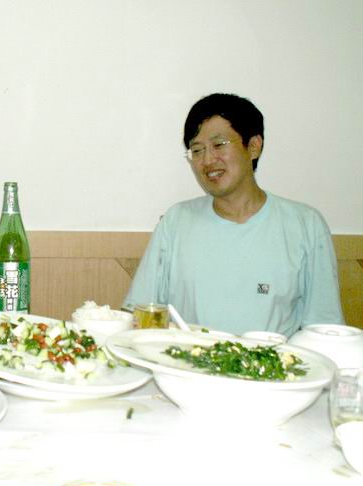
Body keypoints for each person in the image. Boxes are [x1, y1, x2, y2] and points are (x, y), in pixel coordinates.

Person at [124, 93, 344, 336]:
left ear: (253, 146)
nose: (208, 160)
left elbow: (324, 330)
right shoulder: (176, 221)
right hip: (187, 359)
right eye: (197, 150)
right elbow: (140, 315)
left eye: (219, 145)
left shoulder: (305, 224)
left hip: (272, 360)